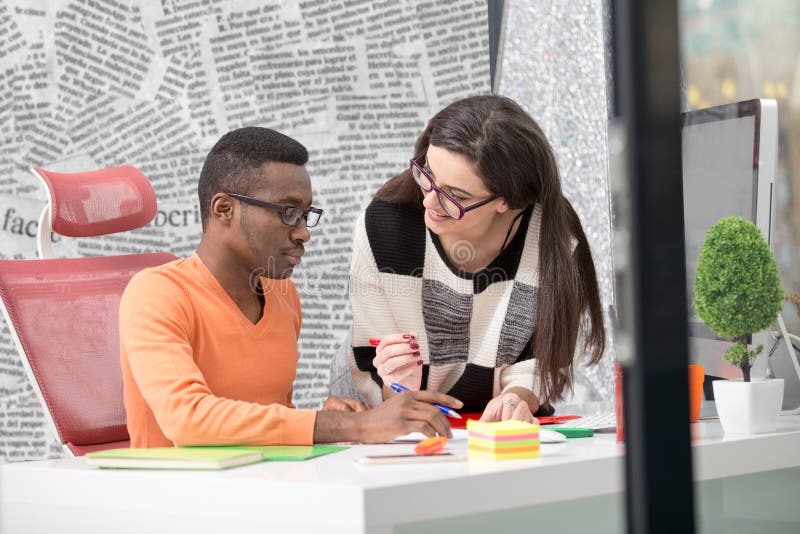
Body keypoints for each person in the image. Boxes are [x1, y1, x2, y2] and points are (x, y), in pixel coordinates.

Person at [119, 127, 462, 448]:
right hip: (174, 496)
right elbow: (187, 419)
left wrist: (325, 418)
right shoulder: (156, 293)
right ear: (224, 209)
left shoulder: (282, 296)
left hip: (266, 485)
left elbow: (263, 421)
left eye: (305, 214)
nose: (303, 233)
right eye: (287, 212)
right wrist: (351, 426)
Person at [347, 95, 606, 422]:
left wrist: (514, 399)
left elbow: (548, 358)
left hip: (496, 427)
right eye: (427, 175)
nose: (430, 201)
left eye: (455, 196)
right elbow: (370, 366)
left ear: (506, 201)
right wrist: (397, 384)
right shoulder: (384, 227)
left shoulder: (553, 235)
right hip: (396, 417)